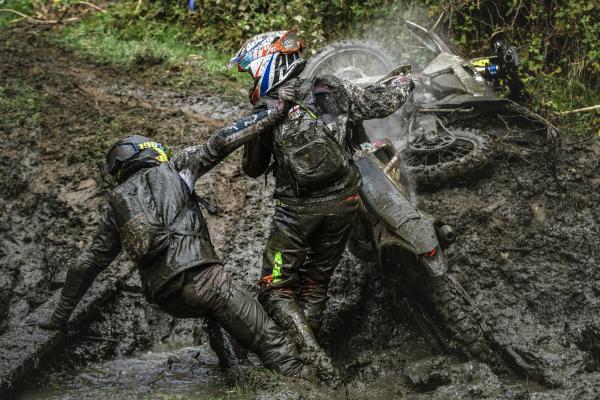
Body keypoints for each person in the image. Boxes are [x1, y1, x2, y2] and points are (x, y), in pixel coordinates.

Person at [39, 85, 311, 378]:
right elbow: (222, 142)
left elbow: (86, 264)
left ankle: (236, 375)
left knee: (216, 314)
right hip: (205, 280)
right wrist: (276, 111)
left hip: (166, 297)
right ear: (150, 151)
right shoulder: (175, 167)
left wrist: (59, 317)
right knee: (274, 343)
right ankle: (302, 386)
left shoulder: (115, 206)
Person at [227, 31, 414, 368]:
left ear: (266, 66)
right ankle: (311, 346)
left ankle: (308, 357)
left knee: (275, 286)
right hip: (344, 204)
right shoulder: (329, 86)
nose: (251, 78)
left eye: (251, 71)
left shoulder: (267, 110)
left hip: (296, 214)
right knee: (315, 283)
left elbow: (252, 169)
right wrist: (403, 83)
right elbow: (380, 103)